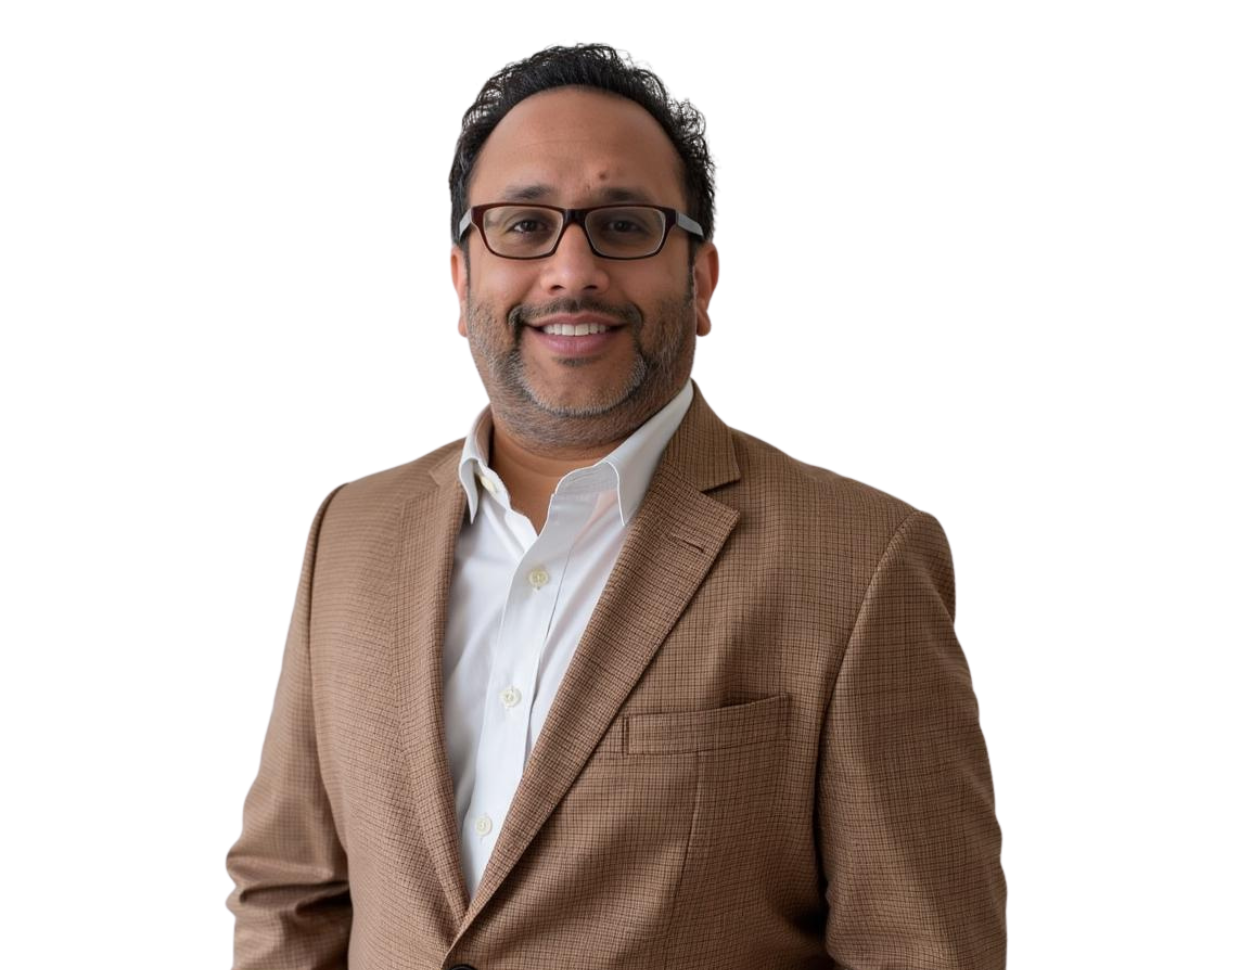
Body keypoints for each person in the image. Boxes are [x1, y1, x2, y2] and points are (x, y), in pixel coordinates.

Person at [224, 40, 1007, 969]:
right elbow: (290, 887)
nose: (571, 270)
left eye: (624, 225)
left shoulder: (865, 560)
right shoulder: (348, 529)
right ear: (461, 278)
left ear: (704, 280)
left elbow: (924, 949)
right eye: (522, 226)